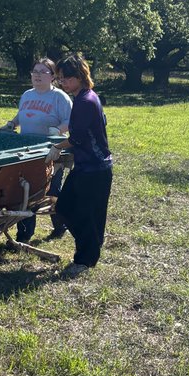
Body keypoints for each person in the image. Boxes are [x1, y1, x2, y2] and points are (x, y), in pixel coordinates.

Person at [46, 53, 112, 278]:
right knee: (65, 207)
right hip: (86, 167)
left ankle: (85, 258)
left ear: (79, 76)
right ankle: (91, 246)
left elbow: (78, 138)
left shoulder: (85, 101)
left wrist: (57, 148)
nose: (62, 83)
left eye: (65, 78)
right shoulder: (85, 97)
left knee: (83, 214)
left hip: (95, 169)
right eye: (60, 79)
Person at [3, 58, 72, 242]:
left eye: (43, 72)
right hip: (27, 151)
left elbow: (71, 120)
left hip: (51, 151)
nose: (37, 75)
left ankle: (60, 225)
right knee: (26, 192)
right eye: (35, 71)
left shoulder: (60, 97)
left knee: (51, 192)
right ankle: (24, 234)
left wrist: (59, 130)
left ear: (53, 77)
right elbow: (22, 114)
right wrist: (12, 123)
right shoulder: (27, 94)